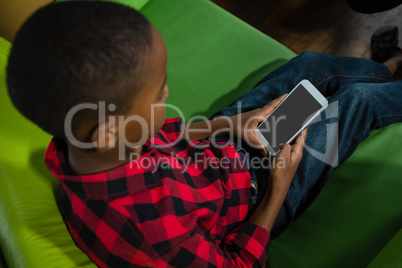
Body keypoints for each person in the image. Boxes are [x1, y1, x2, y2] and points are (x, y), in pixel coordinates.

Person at [6, 1, 402, 267]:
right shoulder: (156, 232)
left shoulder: (86, 143)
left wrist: (230, 123)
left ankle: (387, 71)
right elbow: (239, 262)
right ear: (110, 130)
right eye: (159, 92)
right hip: (259, 196)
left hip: (223, 147)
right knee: (360, 103)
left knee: (315, 67)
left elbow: (164, 135)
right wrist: (279, 184)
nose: (167, 94)